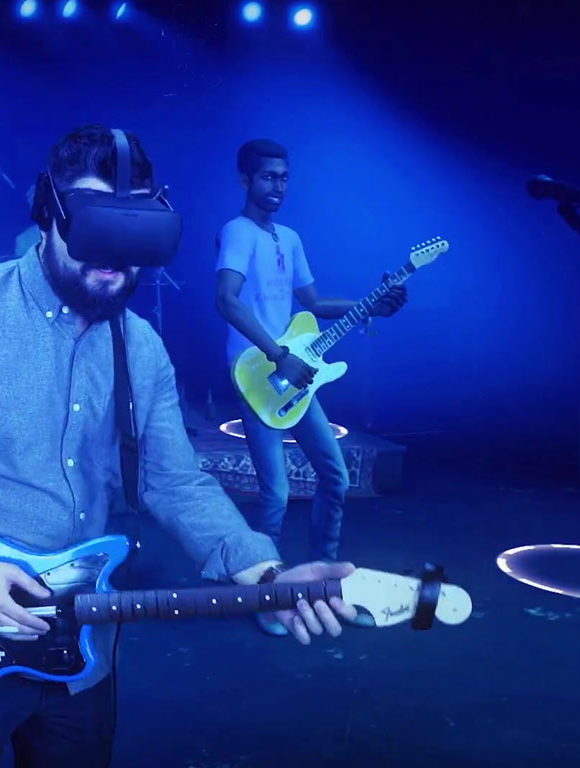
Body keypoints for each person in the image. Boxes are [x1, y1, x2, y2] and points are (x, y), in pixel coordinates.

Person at [0, 126, 358, 768]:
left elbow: (174, 482)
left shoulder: (139, 346)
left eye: (132, 224)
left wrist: (269, 576)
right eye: (94, 221)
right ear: (48, 214)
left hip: (81, 641)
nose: (113, 250)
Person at [214, 139, 406, 637]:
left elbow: (314, 305)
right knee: (275, 493)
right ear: (245, 180)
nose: (277, 185)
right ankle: (267, 596)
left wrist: (373, 305)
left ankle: (322, 583)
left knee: (334, 477)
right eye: (267, 176)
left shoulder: (290, 238)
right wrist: (279, 355)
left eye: (283, 177)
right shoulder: (237, 232)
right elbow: (227, 301)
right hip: (256, 374)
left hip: (295, 371)